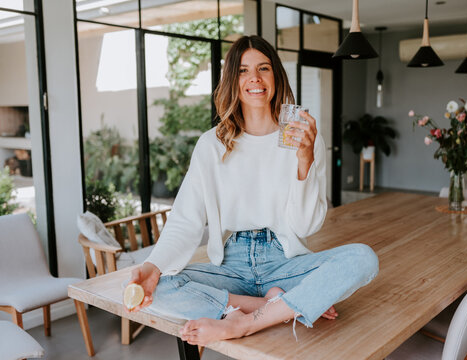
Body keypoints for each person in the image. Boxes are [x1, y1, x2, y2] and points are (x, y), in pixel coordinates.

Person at [128, 35, 379, 346]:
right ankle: (281, 306)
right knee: (163, 286)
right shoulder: (211, 144)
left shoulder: (302, 138)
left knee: (362, 258)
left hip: (283, 261)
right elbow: (185, 221)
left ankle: (243, 323)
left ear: (276, 76)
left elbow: (306, 226)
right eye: (243, 71)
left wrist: (305, 159)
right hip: (231, 267)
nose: (255, 79)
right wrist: (153, 266)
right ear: (233, 80)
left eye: (263, 68)